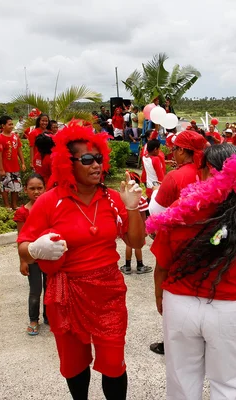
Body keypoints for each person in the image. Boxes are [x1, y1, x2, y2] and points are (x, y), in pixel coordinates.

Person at [17, 121, 146, 400]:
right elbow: (23, 248)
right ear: (67, 162)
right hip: (66, 291)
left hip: (108, 290)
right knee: (74, 364)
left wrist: (133, 208)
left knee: (113, 364)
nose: (96, 164)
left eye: (98, 157)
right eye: (87, 159)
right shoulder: (51, 201)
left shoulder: (112, 198)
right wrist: (36, 250)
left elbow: (136, 243)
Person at [149, 144, 236, 400]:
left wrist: (160, 296)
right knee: (228, 384)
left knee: (181, 380)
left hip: (179, 305)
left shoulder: (183, 208)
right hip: (228, 310)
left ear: (207, 171)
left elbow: (162, 264)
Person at [148, 130, 208, 355]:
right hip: (208, 244)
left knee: (174, 294)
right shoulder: (209, 173)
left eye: (174, 149)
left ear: (183, 150)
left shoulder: (175, 176)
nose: (172, 154)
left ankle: (173, 342)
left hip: (178, 245)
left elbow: (156, 212)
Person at [15, 174, 48, 335]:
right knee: (35, 290)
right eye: (32, 188)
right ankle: (33, 319)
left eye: (39, 188)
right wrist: (23, 261)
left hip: (49, 257)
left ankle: (49, 317)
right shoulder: (22, 212)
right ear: (25, 190)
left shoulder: (51, 207)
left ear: (45, 188)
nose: (36, 192)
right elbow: (21, 239)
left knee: (50, 288)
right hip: (32, 258)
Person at [0, 115, 26, 210]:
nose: (12, 126)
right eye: (9, 124)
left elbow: (19, 150)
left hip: (15, 167)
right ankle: (7, 205)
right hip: (5, 168)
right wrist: (1, 169)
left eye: (12, 124)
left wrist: (23, 163)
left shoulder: (15, 136)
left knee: (16, 187)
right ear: (3, 126)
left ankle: (14, 204)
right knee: (5, 187)